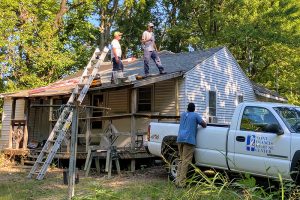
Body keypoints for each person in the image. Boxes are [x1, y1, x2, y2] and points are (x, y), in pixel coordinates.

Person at [175, 103, 207, 188]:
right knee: (186, 161)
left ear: (187, 108)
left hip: (180, 139)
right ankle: (182, 183)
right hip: (189, 140)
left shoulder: (182, 114)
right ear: (194, 109)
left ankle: (177, 181)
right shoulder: (195, 115)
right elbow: (204, 125)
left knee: (181, 160)